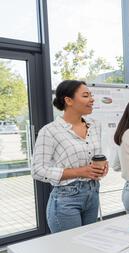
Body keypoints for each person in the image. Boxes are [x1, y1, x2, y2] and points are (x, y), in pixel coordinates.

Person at [32, 80, 107, 233]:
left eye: (91, 95)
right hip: (66, 200)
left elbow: (94, 157)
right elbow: (37, 170)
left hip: (93, 194)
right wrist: (80, 171)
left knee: (89, 246)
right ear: (68, 100)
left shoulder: (95, 125)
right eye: (86, 95)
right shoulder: (50, 131)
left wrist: (103, 167)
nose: (92, 99)